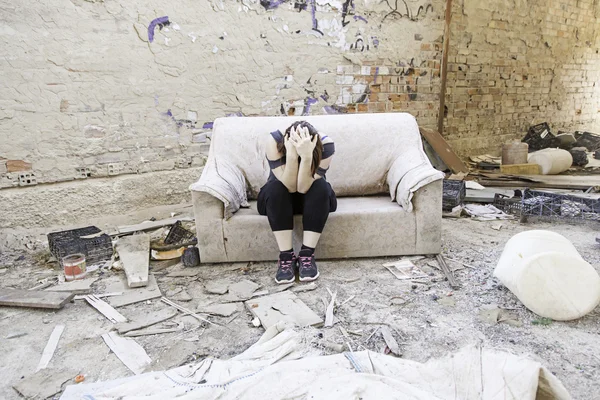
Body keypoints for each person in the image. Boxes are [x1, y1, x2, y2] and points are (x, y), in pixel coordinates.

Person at [257, 121, 336, 284]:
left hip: (314, 199)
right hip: (278, 199)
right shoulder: (274, 141)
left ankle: (307, 255)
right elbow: (290, 187)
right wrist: (292, 155)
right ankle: (286, 257)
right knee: (276, 188)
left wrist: (307, 156)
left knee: (320, 186)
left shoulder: (326, 145)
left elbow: (302, 187)